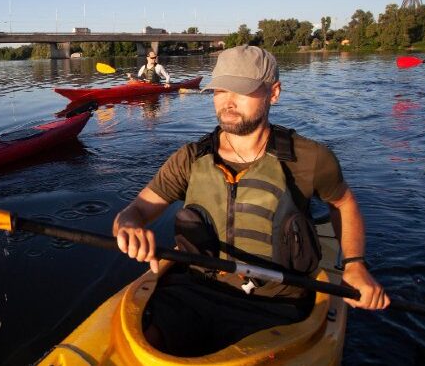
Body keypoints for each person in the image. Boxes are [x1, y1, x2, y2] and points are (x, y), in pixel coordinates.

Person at [112, 45, 389, 356]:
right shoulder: (188, 158)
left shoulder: (311, 159)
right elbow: (134, 211)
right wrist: (129, 226)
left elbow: (343, 204)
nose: (227, 101)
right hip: (193, 292)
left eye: (242, 90)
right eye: (219, 90)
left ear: (274, 93)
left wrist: (354, 265)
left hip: (277, 304)